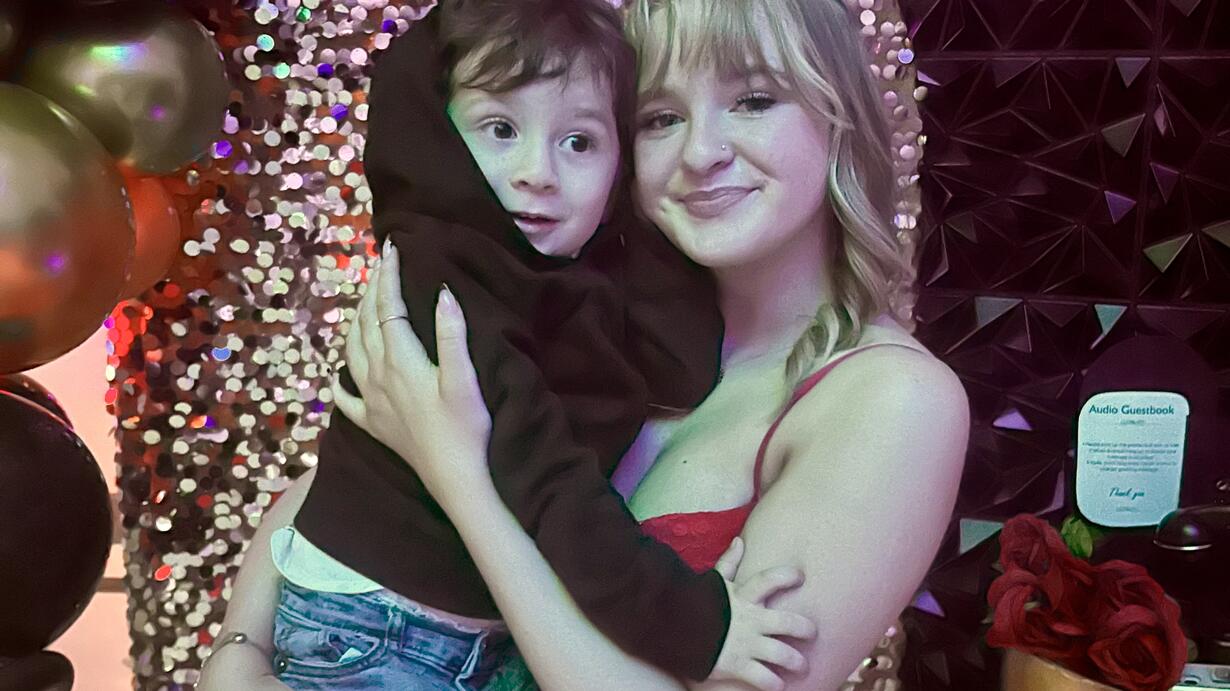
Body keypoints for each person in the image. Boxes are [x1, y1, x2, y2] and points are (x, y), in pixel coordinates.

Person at [331, 0, 971, 689]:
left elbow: (439, 452)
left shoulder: (896, 400)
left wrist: (462, 482)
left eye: (753, 100)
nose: (701, 153)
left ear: (840, 118)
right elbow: (343, 488)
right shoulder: (592, 317)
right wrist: (249, 658)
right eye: (661, 118)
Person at [199, 1, 816, 689]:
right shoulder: (442, 280)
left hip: (455, 641)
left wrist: (631, 219)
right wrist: (694, 626)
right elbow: (548, 485)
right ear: (437, 136)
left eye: (580, 142)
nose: (537, 172)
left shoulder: (558, 281)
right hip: (375, 634)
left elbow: (676, 369)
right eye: (500, 129)